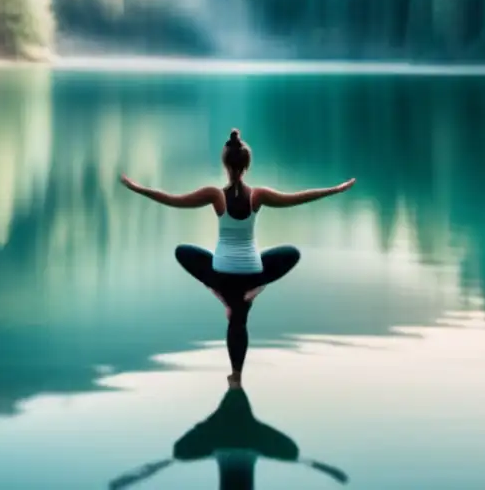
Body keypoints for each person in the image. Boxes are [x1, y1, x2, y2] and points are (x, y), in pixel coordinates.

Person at [119, 129, 355, 387]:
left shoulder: (214, 195)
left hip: (221, 272)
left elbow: (173, 201)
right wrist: (334, 190)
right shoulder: (258, 196)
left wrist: (137, 188)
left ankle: (220, 295)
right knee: (288, 258)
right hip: (252, 272)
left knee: (183, 253)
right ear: (247, 165)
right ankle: (240, 359)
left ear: (224, 163)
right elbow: (298, 198)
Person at [107, 384, 349, 489]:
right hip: (239, 451)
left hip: (223, 449)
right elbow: (293, 453)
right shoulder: (259, 437)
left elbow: (178, 452)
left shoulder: (210, 437)